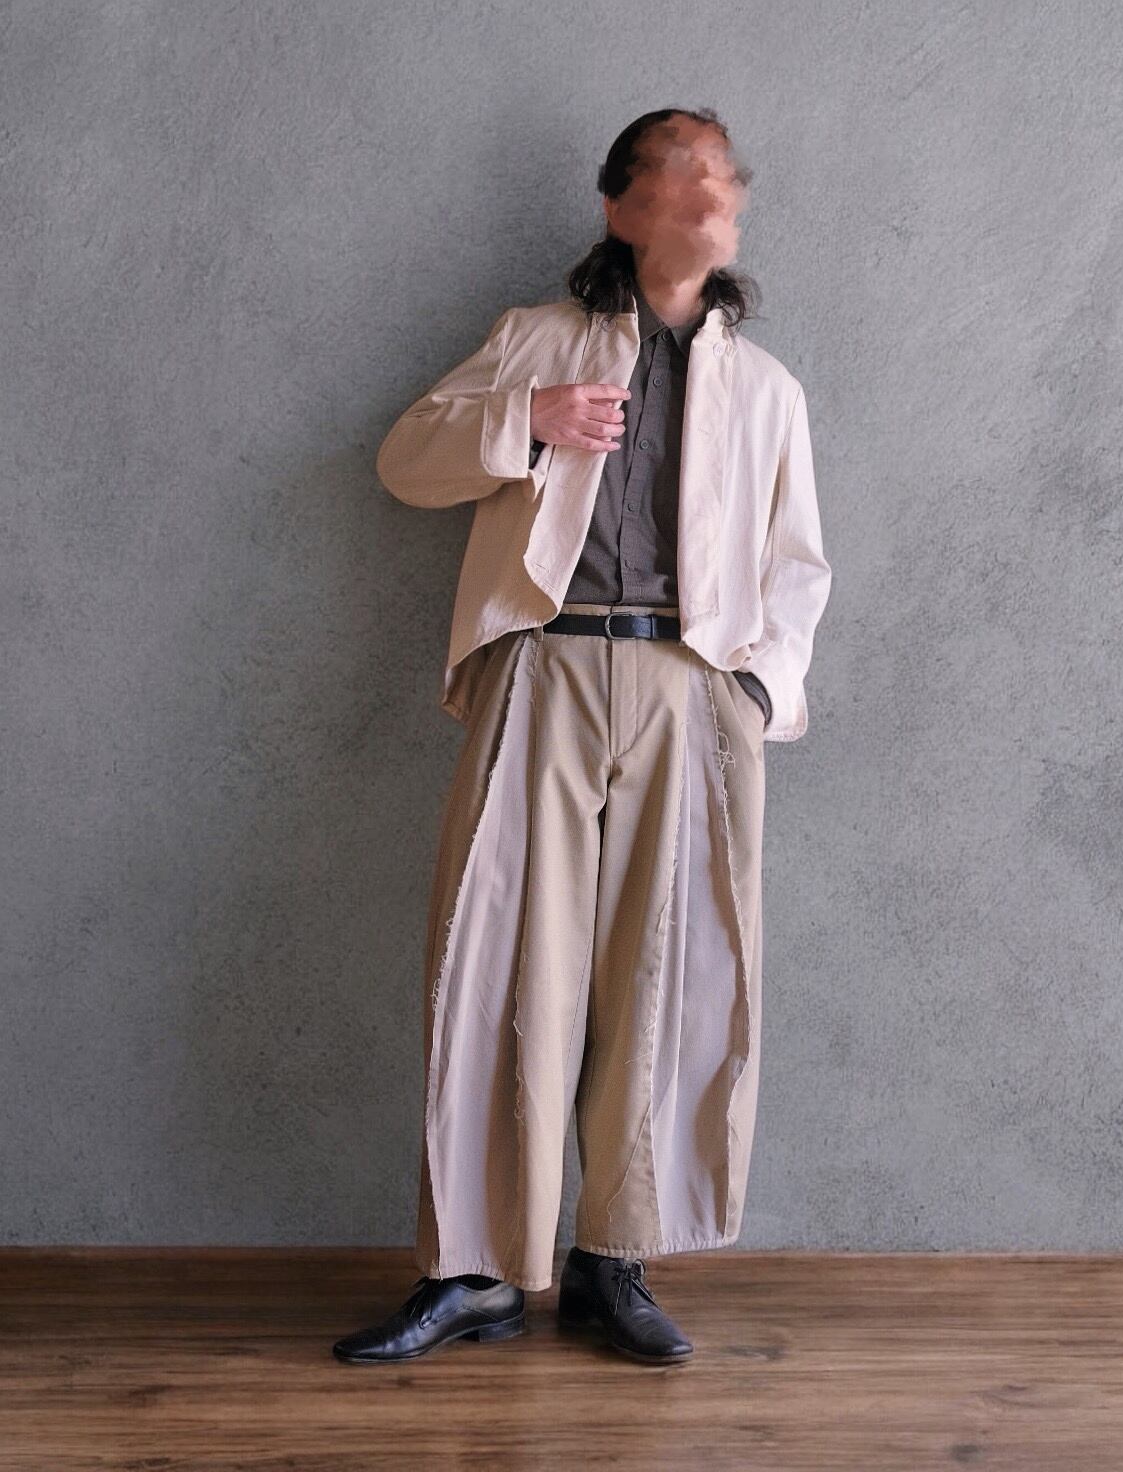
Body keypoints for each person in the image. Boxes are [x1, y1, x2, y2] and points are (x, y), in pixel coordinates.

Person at [333, 106, 832, 1367]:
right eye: (685, 171)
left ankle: (617, 1258)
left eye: (725, 175)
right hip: (541, 666)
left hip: (688, 687)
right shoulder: (534, 340)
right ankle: (477, 1268)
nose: (714, 191)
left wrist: (753, 692)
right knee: (499, 961)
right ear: (621, 206)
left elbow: (796, 569)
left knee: (664, 970)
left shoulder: (768, 389)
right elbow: (404, 461)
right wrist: (526, 419)